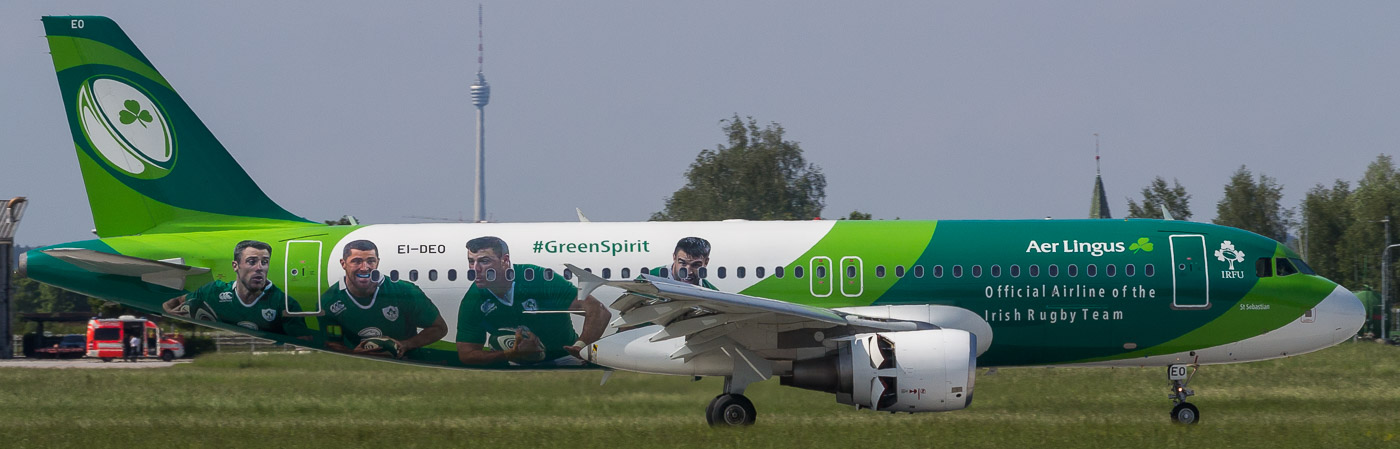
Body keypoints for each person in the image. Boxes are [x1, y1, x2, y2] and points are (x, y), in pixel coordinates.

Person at [455, 236, 610, 366]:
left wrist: (580, 347)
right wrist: (509, 354)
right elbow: (466, 354)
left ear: (505, 260)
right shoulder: (473, 299)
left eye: (484, 261)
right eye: (471, 261)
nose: (475, 269)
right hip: (516, 364)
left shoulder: (538, 278)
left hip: (565, 358)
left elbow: (600, 311)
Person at [320, 239, 447, 359]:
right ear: (343, 263)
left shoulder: (405, 291)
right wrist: (355, 354)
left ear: (377, 262)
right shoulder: (329, 300)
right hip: (358, 368)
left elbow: (439, 328)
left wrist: (405, 345)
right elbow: (331, 343)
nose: (364, 268)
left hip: (408, 364)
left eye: (370, 261)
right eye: (356, 261)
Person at [162, 240, 310, 337]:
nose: (260, 268)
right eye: (252, 261)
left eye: (265, 262)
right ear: (235, 266)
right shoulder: (215, 291)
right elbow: (176, 301)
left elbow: (304, 341)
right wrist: (168, 310)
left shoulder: (285, 303)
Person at [649, 237, 717, 290]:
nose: (688, 272)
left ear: (706, 262)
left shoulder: (712, 293)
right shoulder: (648, 279)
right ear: (674, 257)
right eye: (683, 263)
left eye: (696, 265)